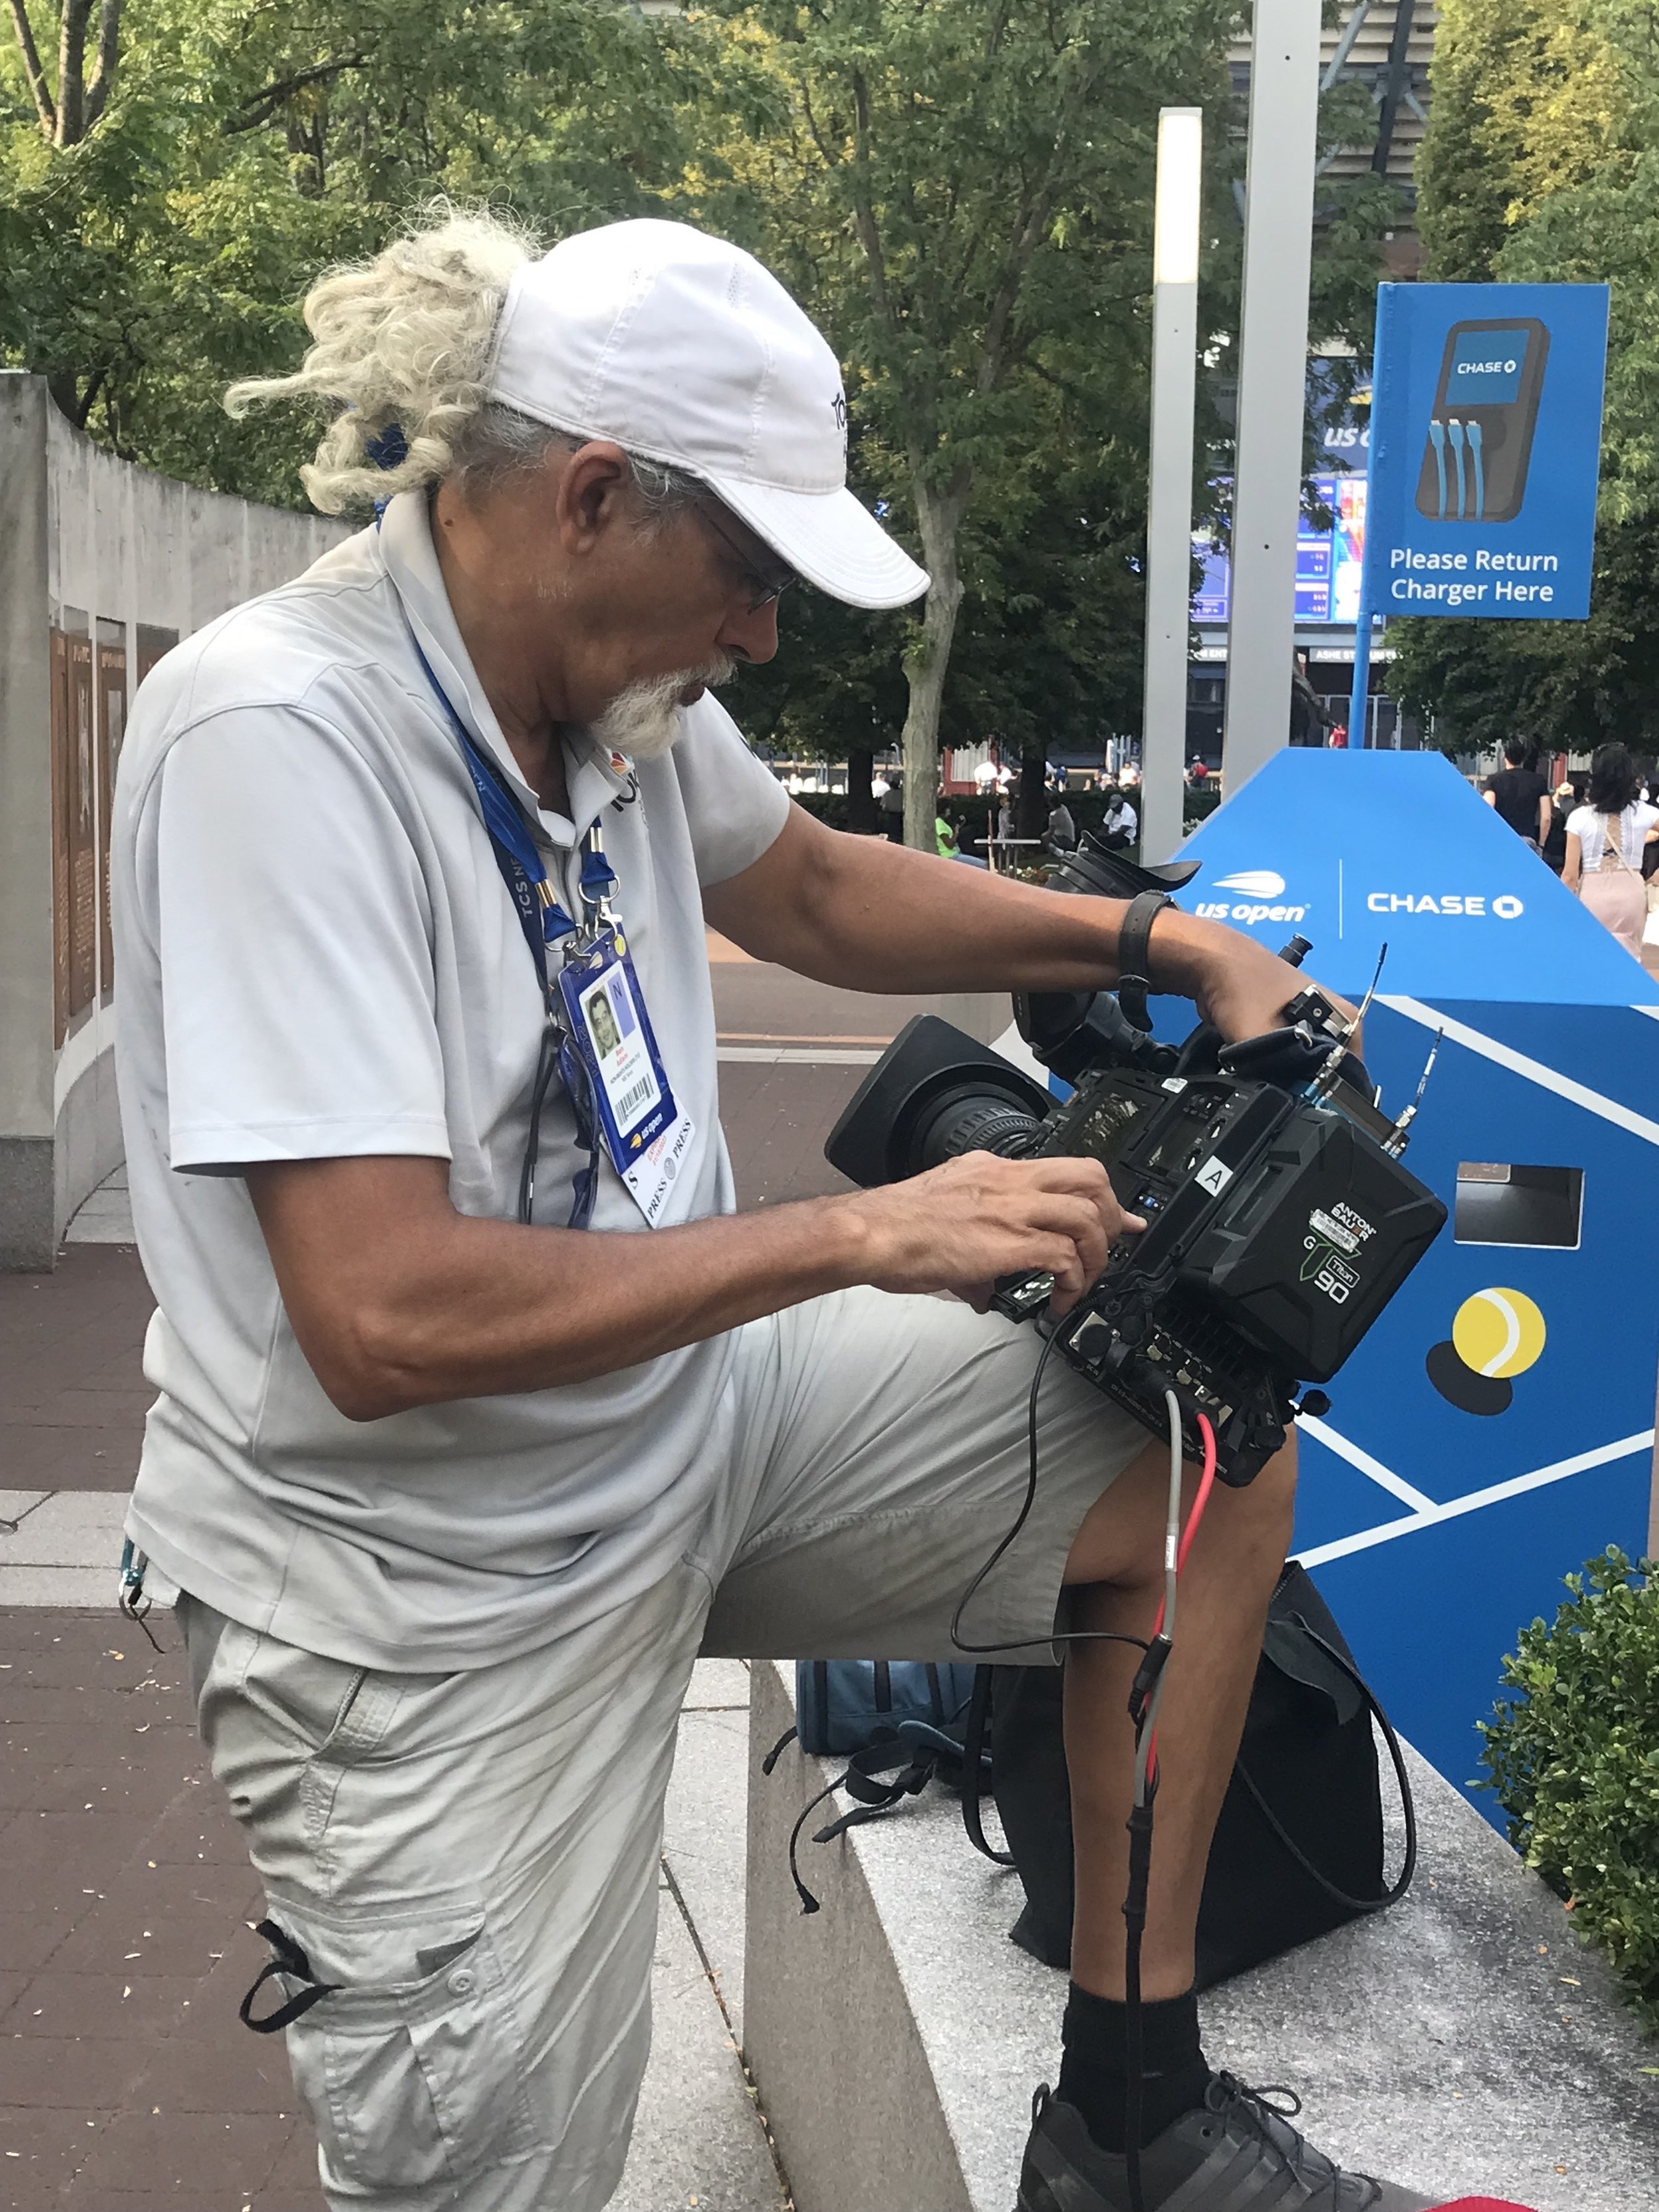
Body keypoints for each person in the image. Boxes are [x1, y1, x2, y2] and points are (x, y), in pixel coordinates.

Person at [111, 209, 1443, 2212]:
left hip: (681, 1423)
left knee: (1193, 1427)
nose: (754, 632)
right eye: (742, 572)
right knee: (491, 2174)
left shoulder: (609, 685)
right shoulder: (278, 737)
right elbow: (376, 1318)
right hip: (421, 1586)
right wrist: (857, 1234)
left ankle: (1129, 2112)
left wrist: (1160, 942)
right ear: (586, 498)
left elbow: (808, 886)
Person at [1563, 741, 1659, 956]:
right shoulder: (1644, 813)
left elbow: (1570, 876)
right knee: (1630, 961)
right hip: (1632, 894)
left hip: (1593, 896)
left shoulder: (1579, 818)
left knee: (1593, 960)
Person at [1483, 737, 1551, 849]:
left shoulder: (1494, 780)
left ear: (1505, 756)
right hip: (1527, 840)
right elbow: (1546, 817)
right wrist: (1541, 845)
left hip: (1500, 839)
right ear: (1524, 758)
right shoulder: (1538, 781)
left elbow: (1488, 807)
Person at [1100, 784, 1139, 852]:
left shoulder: (1129, 813)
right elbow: (1105, 824)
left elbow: (1122, 832)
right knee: (1099, 839)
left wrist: (1107, 837)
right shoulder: (1112, 810)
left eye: (1116, 807)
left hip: (1125, 837)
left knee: (1112, 842)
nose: (1114, 810)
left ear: (1121, 804)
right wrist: (1103, 834)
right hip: (1111, 835)